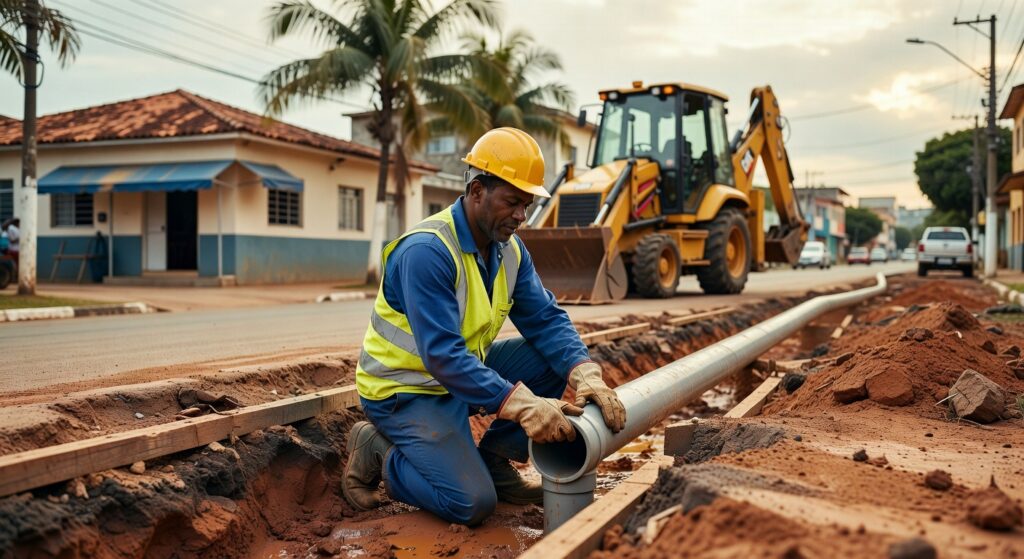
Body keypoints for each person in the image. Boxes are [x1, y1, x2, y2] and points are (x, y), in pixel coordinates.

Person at [342, 127, 626, 526]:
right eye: (512, 202)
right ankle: (379, 451)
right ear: (477, 191)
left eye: (526, 205)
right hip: (406, 389)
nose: (521, 216)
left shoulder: (508, 249)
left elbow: (544, 318)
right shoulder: (428, 252)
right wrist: (522, 405)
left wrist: (586, 374)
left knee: (549, 360)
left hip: (454, 377)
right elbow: (442, 356)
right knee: (471, 503)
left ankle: (494, 461)